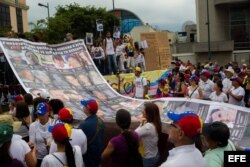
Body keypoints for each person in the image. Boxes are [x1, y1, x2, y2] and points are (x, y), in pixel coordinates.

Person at [78, 99, 105, 167]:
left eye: (84, 106)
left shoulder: (84, 125)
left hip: (88, 159)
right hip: (97, 158)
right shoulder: (101, 122)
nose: (83, 107)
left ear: (87, 109)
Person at [135, 103, 162, 167]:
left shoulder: (148, 127)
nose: (142, 112)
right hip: (155, 153)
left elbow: (134, 134)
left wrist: (141, 123)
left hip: (149, 158)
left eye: (144, 111)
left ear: (148, 114)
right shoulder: (155, 123)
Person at [29, 102, 53, 167]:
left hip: (52, 158)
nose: (40, 116)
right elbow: (32, 142)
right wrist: (31, 145)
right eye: (38, 114)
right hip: (38, 158)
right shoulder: (33, 126)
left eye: (42, 114)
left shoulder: (54, 124)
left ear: (48, 113)